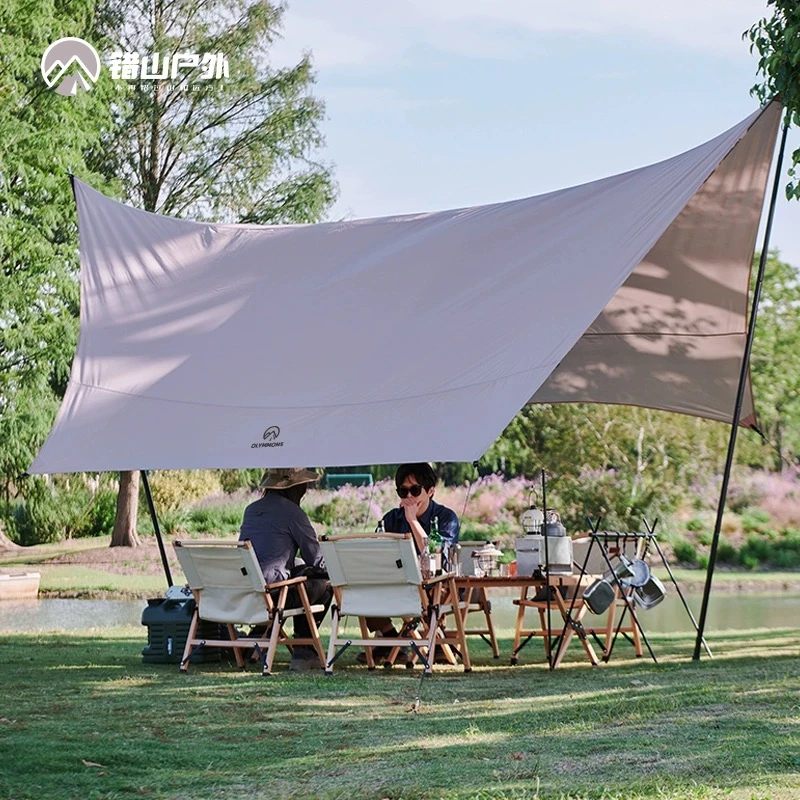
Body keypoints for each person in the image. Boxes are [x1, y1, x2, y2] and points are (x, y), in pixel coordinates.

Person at [360, 463, 460, 664]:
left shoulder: (447, 517)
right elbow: (376, 554)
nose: (409, 497)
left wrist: (412, 521)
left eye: (415, 490)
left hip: (436, 584)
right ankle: (390, 636)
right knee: (363, 585)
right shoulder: (391, 518)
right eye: (403, 491)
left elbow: (436, 554)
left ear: (430, 491)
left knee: (435, 590)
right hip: (397, 582)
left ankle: (433, 637)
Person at [239, 467, 332, 672]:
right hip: (274, 596)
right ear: (296, 488)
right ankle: (304, 651)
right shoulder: (293, 513)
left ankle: (260, 631)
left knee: (299, 568)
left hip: (246, 593)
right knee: (325, 584)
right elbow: (317, 560)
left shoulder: (251, 510)